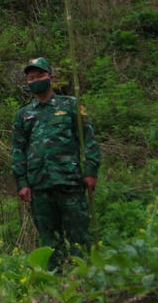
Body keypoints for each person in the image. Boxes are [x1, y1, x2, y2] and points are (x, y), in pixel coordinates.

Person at [10, 57, 101, 269]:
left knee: (79, 234)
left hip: (70, 181)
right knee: (49, 239)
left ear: (50, 77)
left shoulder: (70, 105)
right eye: (31, 78)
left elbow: (88, 140)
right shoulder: (23, 114)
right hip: (39, 185)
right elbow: (18, 150)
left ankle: (83, 276)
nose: (36, 80)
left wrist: (91, 171)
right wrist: (22, 182)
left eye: (40, 75)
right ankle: (55, 280)